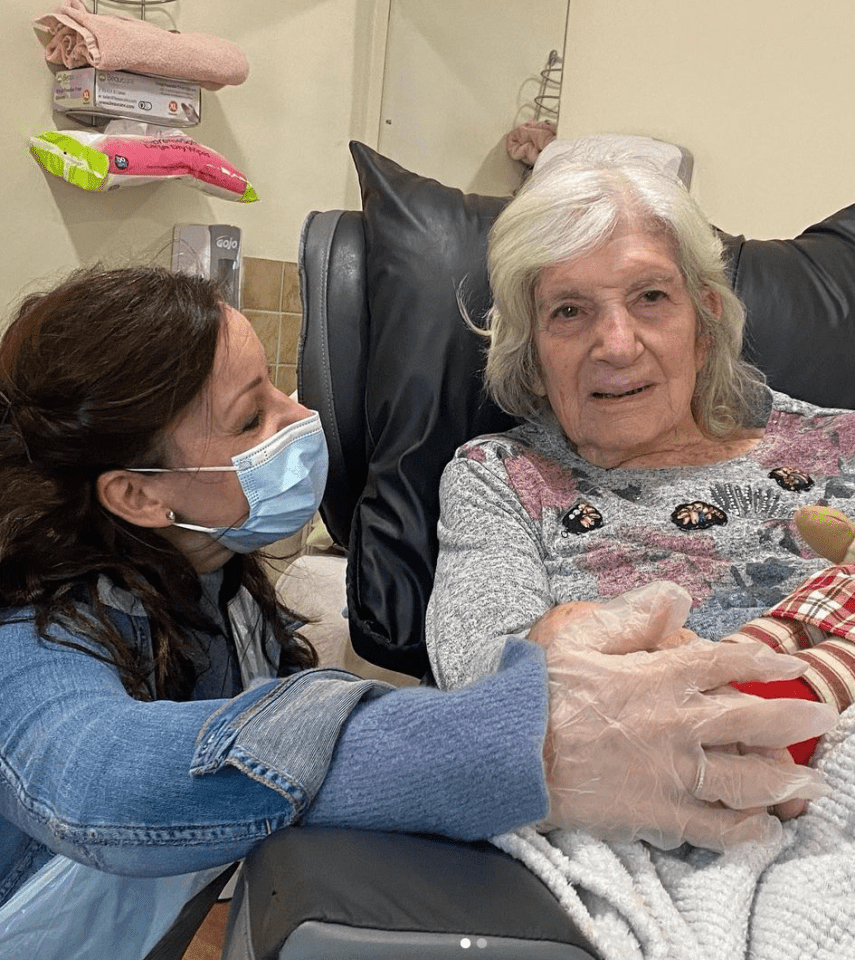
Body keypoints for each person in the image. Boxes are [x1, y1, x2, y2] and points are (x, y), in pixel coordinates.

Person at [0, 267, 830, 950]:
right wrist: (532, 742)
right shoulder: (31, 631)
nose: (302, 420)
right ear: (138, 494)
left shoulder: (216, 587)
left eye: (653, 297)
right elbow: (100, 782)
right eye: (250, 417)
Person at [425, 155, 851, 819]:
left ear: (703, 321)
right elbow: (489, 690)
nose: (617, 344)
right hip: (660, 819)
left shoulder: (840, 445)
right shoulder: (503, 478)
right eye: (569, 311)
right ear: (532, 355)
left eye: (649, 297)